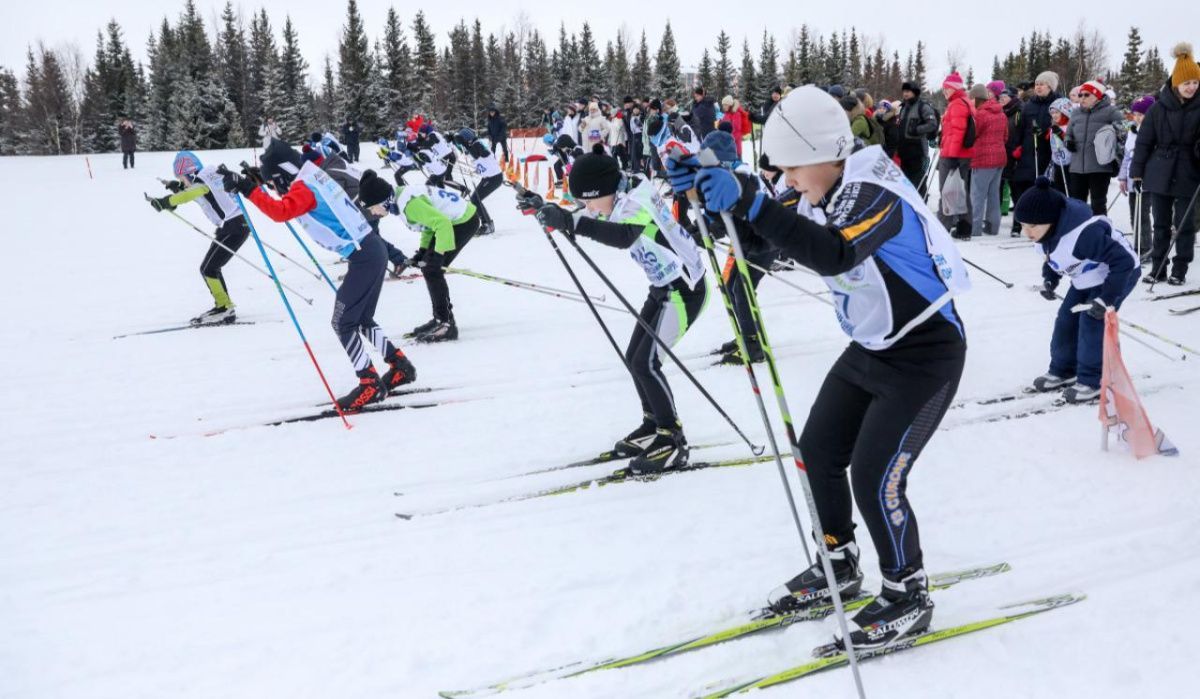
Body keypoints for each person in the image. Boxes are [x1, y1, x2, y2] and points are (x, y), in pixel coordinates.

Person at [693, 85, 969, 650]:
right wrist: (711, 198)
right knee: (817, 451)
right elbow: (762, 244)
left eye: (792, 169)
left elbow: (834, 252)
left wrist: (752, 202)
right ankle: (838, 562)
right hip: (872, 347)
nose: (788, 180)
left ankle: (907, 593)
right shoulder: (820, 189)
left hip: (925, 352)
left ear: (825, 153)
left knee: (875, 475)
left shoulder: (875, 190)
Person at [526, 147, 708, 474]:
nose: (589, 208)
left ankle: (671, 438)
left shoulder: (635, 200)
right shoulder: (619, 190)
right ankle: (653, 424)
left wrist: (569, 220)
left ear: (604, 190)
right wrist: (550, 209)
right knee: (634, 356)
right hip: (663, 287)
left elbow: (624, 236)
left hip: (684, 290)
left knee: (647, 361)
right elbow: (591, 214)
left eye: (590, 200)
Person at [221, 140, 416, 411]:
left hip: (364, 256)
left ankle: (369, 383)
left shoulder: (304, 188)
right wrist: (259, 184)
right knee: (360, 319)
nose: (276, 189)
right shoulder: (311, 174)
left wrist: (249, 189)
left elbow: (282, 211)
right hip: (370, 250)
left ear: (282, 175)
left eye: (274, 183)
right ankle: (399, 366)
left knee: (342, 322)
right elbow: (288, 196)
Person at [1017, 178, 1138, 403]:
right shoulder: (1046, 234)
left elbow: (1124, 263)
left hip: (1118, 274)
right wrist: (1050, 280)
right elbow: (1053, 259)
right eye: (1023, 225)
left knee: (1091, 322)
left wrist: (1106, 299)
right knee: (1066, 320)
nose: (1027, 232)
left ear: (1051, 220)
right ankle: (1064, 370)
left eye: (1032, 226)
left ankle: (1093, 381)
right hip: (1084, 277)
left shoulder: (1084, 235)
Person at [147, 151, 251, 325]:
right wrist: (177, 188)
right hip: (232, 226)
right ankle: (223, 306)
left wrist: (166, 202)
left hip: (233, 227)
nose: (182, 181)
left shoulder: (202, 180)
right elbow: (201, 195)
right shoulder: (208, 175)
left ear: (189, 171)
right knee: (209, 268)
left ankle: (225, 308)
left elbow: (191, 194)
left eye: (181, 177)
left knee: (209, 268)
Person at [1131, 42, 1200, 285]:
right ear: (1175, 83)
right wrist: (1136, 172)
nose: (1191, 87)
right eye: (1187, 83)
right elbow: (1144, 143)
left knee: (1184, 225)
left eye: (1195, 82)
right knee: (1160, 222)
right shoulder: (1157, 108)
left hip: (1189, 173)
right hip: (1159, 171)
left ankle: (1179, 270)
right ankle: (1158, 267)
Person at [393, 179, 482, 342]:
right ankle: (441, 319)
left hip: (463, 221)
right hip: (455, 221)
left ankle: (445, 324)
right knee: (429, 267)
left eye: (372, 207)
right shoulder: (401, 198)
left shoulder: (409, 205)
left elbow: (442, 223)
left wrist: (438, 254)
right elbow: (429, 224)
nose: (373, 212)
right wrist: (423, 251)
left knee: (432, 269)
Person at [1065, 80, 1126, 216]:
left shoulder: (1111, 112)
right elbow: (1068, 134)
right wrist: (1068, 141)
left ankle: (1100, 232)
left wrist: (1114, 151)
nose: (1082, 98)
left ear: (1097, 96)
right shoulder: (1075, 113)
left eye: (1086, 95)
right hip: (1076, 167)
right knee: (1076, 204)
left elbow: (1123, 134)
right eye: (1080, 95)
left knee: (1098, 204)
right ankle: (1078, 232)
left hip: (1100, 167)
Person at [1010, 71, 1064, 215]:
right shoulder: (1029, 105)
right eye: (1037, 84)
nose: (1038, 87)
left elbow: (1064, 126)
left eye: (1042, 84)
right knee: (1022, 183)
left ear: (1050, 87)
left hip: (1049, 152)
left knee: (1047, 185)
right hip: (1029, 150)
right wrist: (1017, 146)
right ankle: (1021, 219)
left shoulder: (1059, 103)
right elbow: (1020, 128)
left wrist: (1047, 132)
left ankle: (1046, 215)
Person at [937, 72, 977, 239]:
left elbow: (958, 133)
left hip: (954, 156)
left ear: (954, 89)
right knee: (960, 191)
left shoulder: (957, 105)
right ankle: (964, 226)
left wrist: (951, 157)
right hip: (962, 155)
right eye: (944, 88)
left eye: (947, 88)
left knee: (947, 191)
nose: (945, 91)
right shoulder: (963, 102)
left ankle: (942, 227)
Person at [1118, 95, 1156, 256]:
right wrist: (1122, 178)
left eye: (1142, 114)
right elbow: (1127, 156)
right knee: (1135, 214)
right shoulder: (1133, 132)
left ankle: (1146, 247)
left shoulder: (1155, 132)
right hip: (1132, 179)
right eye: (1136, 114)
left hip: (1146, 180)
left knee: (1143, 215)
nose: (1138, 117)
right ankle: (1138, 244)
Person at [969, 83, 1008, 237]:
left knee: (977, 195)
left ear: (977, 98)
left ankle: (975, 228)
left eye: (972, 98)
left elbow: (974, 134)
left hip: (983, 158)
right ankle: (993, 227)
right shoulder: (1001, 113)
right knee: (993, 194)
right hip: (1000, 158)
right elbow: (1005, 136)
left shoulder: (981, 114)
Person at [452, 127, 502, 236]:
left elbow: (480, 153)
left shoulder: (478, 144)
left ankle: (487, 225)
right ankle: (487, 224)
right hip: (489, 177)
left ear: (467, 138)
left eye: (463, 140)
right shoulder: (472, 145)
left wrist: (464, 143)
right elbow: (465, 151)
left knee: (475, 200)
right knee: (475, 199)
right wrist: (454, 141)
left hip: (493, 178)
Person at [897, 81, 939, 198]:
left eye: (908, 91)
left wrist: (917, 129)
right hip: (904, 151)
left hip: (918, 151)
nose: (905, 94)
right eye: (904, 91)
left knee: (918, 182)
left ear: (915, 92)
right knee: (905, 182)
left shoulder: (922, 107)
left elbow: (932, 124)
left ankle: (921, 206)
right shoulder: (903, 107)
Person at [999, 87, 1023, 229]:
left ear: (1013, 97)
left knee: (1016, 191)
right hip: (1001, 155)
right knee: (998, 189)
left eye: (1005, 96)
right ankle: (994, 221)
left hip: (1015, 156)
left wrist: (1020, 148)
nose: (1001, 98)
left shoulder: (1020, 111)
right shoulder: (1000, 111)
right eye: (1000, 96)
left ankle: (1017, 224)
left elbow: (1023, 131)